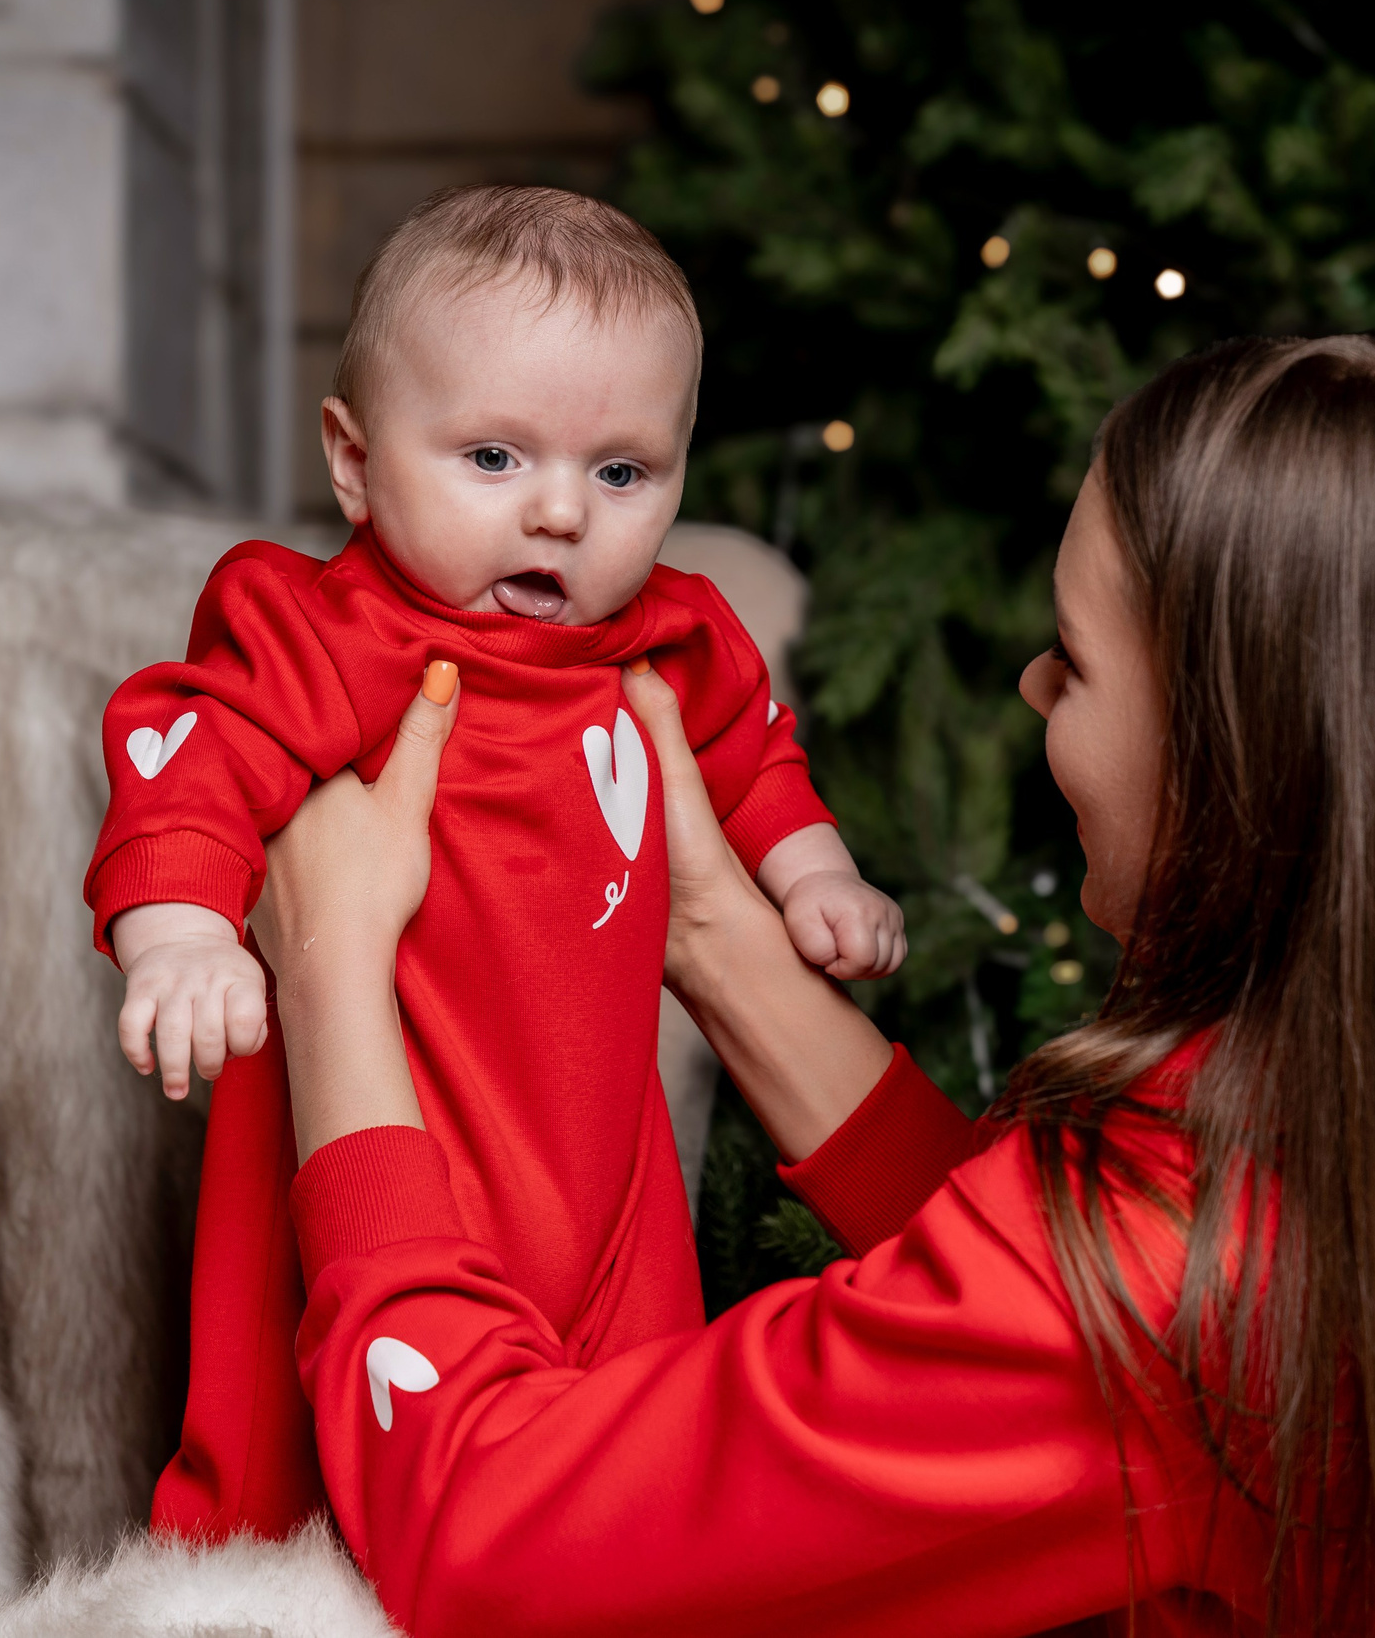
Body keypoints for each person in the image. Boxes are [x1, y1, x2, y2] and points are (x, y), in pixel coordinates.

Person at [252, 330, 1375, 1636]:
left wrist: (334, 985)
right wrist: (715, 938)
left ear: (1237, 755)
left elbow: (492, 1540)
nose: (1035, 686)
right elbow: (1076, 1324)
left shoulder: (1162, 1283)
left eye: (1079, 658)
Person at [83, 186, 907, 1537]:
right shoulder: (327, 635)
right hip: (387, 1125)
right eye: (493, 457)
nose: (562, 513)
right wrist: (178, 932)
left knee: (628, 1451)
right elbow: (191, 750)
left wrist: (813, 871)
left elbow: (754, 756)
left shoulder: (669, 639)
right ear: (354, 463)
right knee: (296, 1421)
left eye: (623, 473)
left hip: (602, 1156)